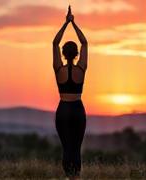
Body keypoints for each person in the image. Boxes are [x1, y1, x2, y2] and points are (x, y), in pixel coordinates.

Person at [53, 5, 88, 180]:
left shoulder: (58, 69)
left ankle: (68, 177)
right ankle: (76, 178)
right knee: (76, 147)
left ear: (63, 53)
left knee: (67, 147)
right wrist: (73, 23)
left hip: (63, 110)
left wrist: (65, 23)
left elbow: (54, 42)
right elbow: (85, 42)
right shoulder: (81, 69)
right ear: (76, 54)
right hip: (77, 109)